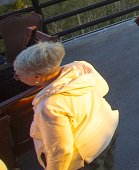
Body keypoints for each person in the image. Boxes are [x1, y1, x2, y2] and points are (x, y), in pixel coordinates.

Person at [13, 42, 119, 170]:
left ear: (37, 77)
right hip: (107, 131)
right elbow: (103, 88)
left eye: (18, 75)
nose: (17, 76)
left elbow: (61, 150)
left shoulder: (49, 106)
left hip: (87, 154)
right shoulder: (81, 67)